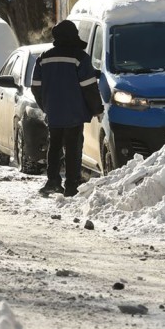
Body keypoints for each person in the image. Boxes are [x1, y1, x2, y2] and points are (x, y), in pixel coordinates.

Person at [31, 20, 105, 197]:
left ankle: (52, 181)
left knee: (54, 146)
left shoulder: (44, 58)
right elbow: (89, 88)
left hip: (54, 112)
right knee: (73, 147)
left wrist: (46, 106)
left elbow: (35, 87)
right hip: (74, 112)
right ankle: (72, 185)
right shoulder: (80, 58)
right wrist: (97, 109)